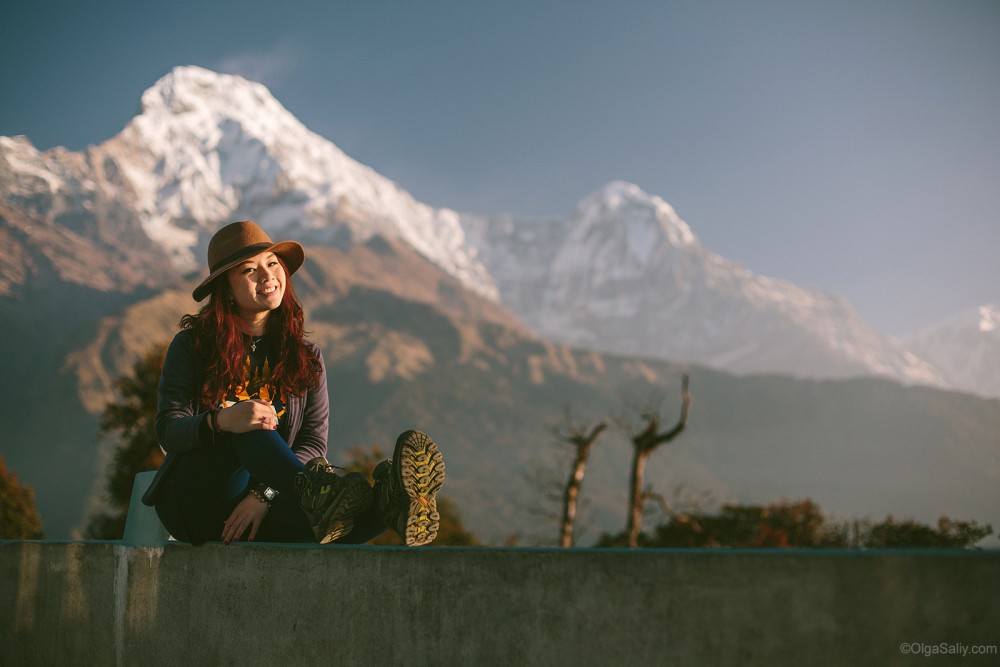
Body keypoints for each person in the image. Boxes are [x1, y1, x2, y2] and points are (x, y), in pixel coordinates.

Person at [151, 220, 445, 546]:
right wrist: (224, 421)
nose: (267, 276)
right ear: (226, 289)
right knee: (251, 423)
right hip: (195, 501)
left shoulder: (308, 356)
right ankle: (322, 496)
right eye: (249, 270)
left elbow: (313, 443)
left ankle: (394, 501)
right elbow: (169, 430)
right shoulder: (192, 346)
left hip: (267, 500)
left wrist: (264, 494)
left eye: (273, 263)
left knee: (335, 529)